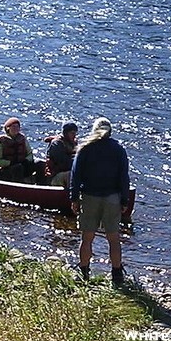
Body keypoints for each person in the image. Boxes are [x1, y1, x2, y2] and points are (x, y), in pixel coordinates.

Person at [70, 117, 130, 285]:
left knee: (87, 238)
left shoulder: (85, 149)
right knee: (113, 237)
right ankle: (117, 275)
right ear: (110, 132)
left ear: (93, 130)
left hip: (89, 197)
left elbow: (75, 175)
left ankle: (84, 272)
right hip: (112, 198)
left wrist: (73, 198)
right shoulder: (118, 149)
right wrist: (124, 200)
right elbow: (124, 177)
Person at [0, 117, 34, 182]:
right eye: (13, 127)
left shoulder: (23, 139)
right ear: (8, 128)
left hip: (22, 166)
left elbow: (30, 154)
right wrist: (10, 163)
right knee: (17, 167)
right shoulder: (2, 141)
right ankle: (19, 186)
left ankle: (42, 184)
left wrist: (26, 161)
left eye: (17, 127)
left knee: (39, 164)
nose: (16, 129)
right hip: (8, 169)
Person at [44, 122, 78, 188]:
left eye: (75, 133)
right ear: (65, 133)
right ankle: (73, 196)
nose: (74, 136)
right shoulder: (56, 144)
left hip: (66, 173)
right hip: (55, 177)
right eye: (72, 133)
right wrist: (78, 161)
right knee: (70, 175)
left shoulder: (73, 143)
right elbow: (63, 162)